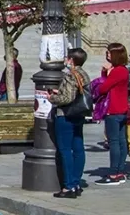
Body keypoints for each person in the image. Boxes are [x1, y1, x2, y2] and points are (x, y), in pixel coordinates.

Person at [48, 48, 90, 198]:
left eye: (67, 58)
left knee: (65, 150)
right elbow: (76, 92)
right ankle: (76, 182)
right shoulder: (83, 73)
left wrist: (52, 98)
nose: (66, 60)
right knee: (78, 148)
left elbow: (67, 98)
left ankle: (68, 186)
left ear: (71, 60)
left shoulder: (70, 74)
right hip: (79, 114)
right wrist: (60, 92)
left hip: (66, 115)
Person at [95, 43, 130, 186]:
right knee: (121, 141)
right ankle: (120, 171)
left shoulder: (117, 71)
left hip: (113, 110)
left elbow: (103, 88)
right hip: (122, 109)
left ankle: (114, 173)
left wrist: (105, 74)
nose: (107, 55)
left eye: (109, 53)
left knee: (114, 142)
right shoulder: (123, 70)